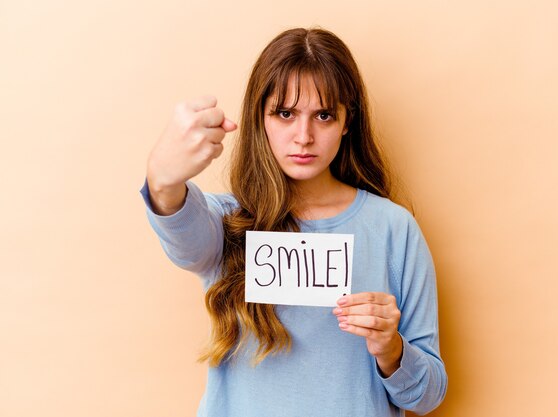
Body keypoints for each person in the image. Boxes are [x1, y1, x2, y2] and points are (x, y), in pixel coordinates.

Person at [141, 27, 447, 417]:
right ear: (261, 118)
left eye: (323, 115)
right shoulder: (226, 223)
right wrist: (162, 178)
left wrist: (392, 349)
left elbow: (427, 396)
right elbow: (180, 230)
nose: (303, 136)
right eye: (285, 114)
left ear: (347, 121)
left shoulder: (394, 229)